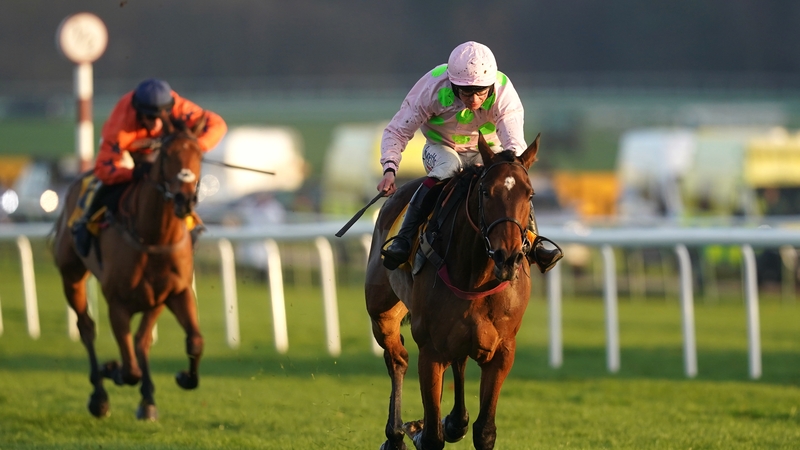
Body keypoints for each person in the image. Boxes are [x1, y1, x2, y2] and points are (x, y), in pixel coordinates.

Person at [378, 41, 563, 272]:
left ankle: (533, 243)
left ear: (491, 86)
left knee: (513, 180)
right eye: (466, 92)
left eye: (481, 92)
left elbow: (513, 142)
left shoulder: (504, 91)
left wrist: (511, 169)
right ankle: (404, 239)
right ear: (453, 85)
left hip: (489, 154)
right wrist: (389, 168)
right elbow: (397, 130)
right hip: (441, 148)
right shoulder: (432, 87)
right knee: (449, 165)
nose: (474, 100)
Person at [71, 78, 228, 257]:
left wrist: (195, 148)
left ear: (170, 109)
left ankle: (191, 224)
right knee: (106, 185)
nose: (156, 123)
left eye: (161, 117)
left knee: (179, 181)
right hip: (126, 154)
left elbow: (216, 124)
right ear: (139, 113)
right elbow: (104, 169)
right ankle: (86, 223)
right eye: (150, 118)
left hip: (163, 151)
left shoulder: (179, 107)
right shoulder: (120, 126)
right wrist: (133, 172)